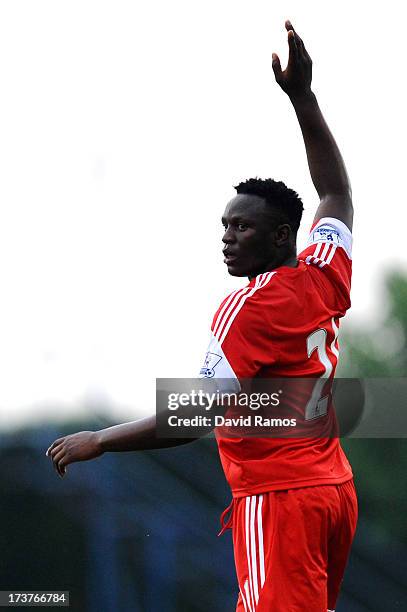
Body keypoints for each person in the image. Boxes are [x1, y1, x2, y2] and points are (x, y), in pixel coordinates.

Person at [47, 20, 357, 612]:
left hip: (281, 500)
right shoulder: (323, 271)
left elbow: (196, 413)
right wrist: (303, 98)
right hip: (333, 492)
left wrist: (101, 440)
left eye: (243, 226)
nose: (228, 237)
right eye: (224, 225)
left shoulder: (245, 308)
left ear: (281, 235)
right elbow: (336, 193)